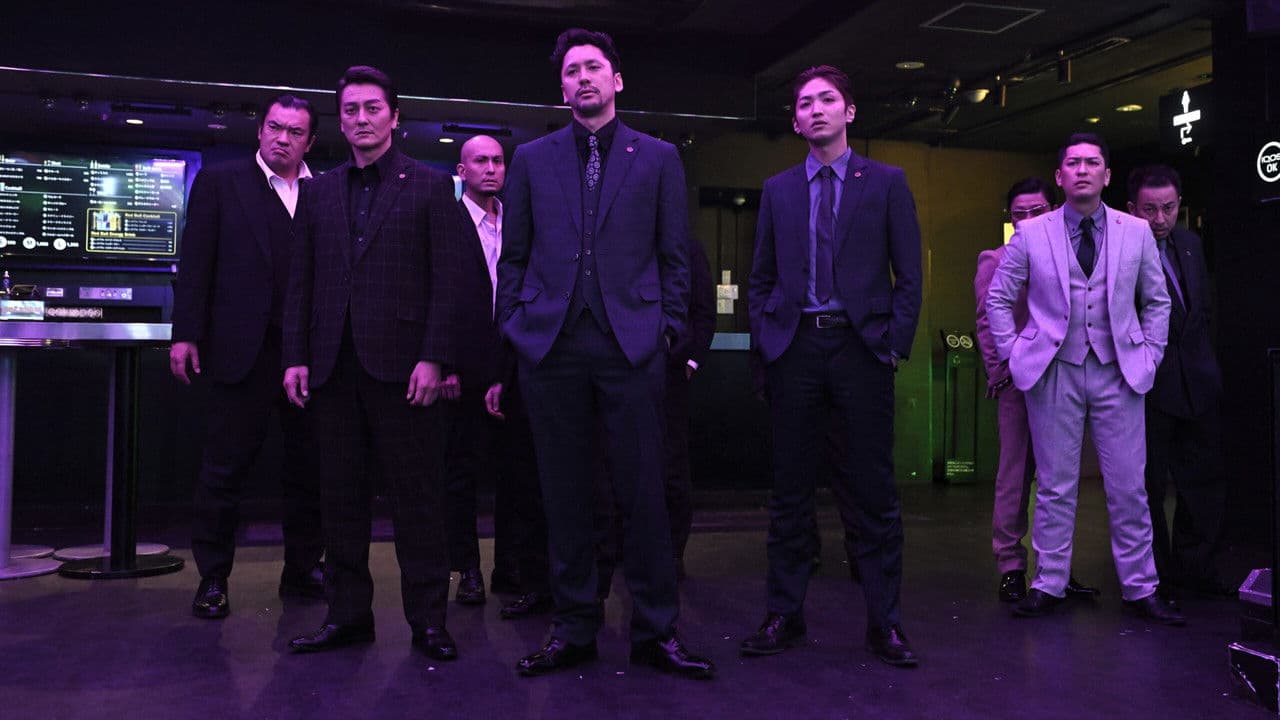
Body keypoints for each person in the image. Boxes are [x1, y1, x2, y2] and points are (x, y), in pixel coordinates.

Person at [497, 28, 714, 679]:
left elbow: (675, 256)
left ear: (616, 80)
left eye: (593, 67)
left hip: (632, 345)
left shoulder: (658, 158)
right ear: (561, 87)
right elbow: (515, 255)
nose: (582, 78)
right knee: (563, 496)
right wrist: (515, 324)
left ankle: (656, 630)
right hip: (552, 345)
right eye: (571, 71)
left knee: (644, 494)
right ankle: (573, 628)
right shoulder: (532, 159)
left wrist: (667, 330)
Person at [282, 65, 466, 661]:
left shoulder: (431, 186)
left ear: (394, 116)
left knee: (418, 502)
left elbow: (450, 282)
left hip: (406, 369)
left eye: (371, 108)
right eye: (350, 110)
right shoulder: (318, 192)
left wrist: (435, 356)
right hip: (332, 368)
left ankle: (429, 621)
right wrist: (295, 357)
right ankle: (347, 616)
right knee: (340, 501)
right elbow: (301, 283)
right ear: (340, 121)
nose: (360, 118)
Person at [745, 65, 923, 667]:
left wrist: (893, 345)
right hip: (795, 349)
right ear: (795, 121)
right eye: (804, 103)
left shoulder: (888, 182)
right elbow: (761, 276)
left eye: (826, 99)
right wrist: (769, 341)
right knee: (789, 492)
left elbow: (909, 274)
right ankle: (783, 614)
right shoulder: (778, 190)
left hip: (861, 349)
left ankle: (885, 622)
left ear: (850, 112)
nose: (815, 109)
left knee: (872, 492)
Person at [986, 132, 1183, 625]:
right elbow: (998, 299)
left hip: (1120, 370)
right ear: (1059, 176)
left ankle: (1141, 587)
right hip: (1054, 369)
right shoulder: (1032, 233)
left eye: (1092, 163)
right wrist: (1015, 353)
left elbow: (1156, 300)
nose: (1082, 170)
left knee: (1129, 486)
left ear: (1106, 175)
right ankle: (1048, 582)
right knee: (1055, 485)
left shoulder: (1136, 231)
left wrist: (1150, 355)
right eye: (1072, 163)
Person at [171, 93, 324, 620]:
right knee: (225, 469)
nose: (283, 139)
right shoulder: (221, 181)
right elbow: (196, 262)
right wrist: (185, 334)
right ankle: (213, 578)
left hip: (309, 354)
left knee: (309, 471)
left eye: (295, 132)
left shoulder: (324, 190)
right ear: (260, 131)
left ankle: (303, 570)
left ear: (310, 141)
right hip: (242, 351)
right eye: (275, 128)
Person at [974, 177, 1099, 603]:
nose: (1027, 219)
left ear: (1054, 210)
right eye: (1019, 213)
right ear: (1010, 218)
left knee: (1058, 480)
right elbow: (986, 321)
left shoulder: (1070, 255)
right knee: (1014, 476)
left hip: (1064, 379)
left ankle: (1055, 569)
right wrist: (1002, 372)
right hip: (1018, 383)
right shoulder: (996, 259)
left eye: (1037, 210)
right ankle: (1010, 566)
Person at [449, 134, 552, 618]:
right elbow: (440, 297)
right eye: (480, 161)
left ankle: (513, 570)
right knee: (460, 474)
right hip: (462, 366)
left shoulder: (521, 222)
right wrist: (445, 363)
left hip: (514, 363)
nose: (490, 168)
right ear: (462, 170)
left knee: (520, 476)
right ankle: (467, 570)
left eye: (497, 161)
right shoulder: (447, 222)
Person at [1127, 165, 1232, 600]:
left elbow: (1202, 310)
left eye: (1168, 208)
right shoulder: (1123, 250)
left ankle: (1195, 567)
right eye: (1149, 209)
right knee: (1149, 486)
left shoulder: (1189, 243)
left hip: (1198, 380)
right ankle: (1157, 576)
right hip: (1149, 385)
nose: (1160, 219)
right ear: (1132, 209)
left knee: (1203, 480)